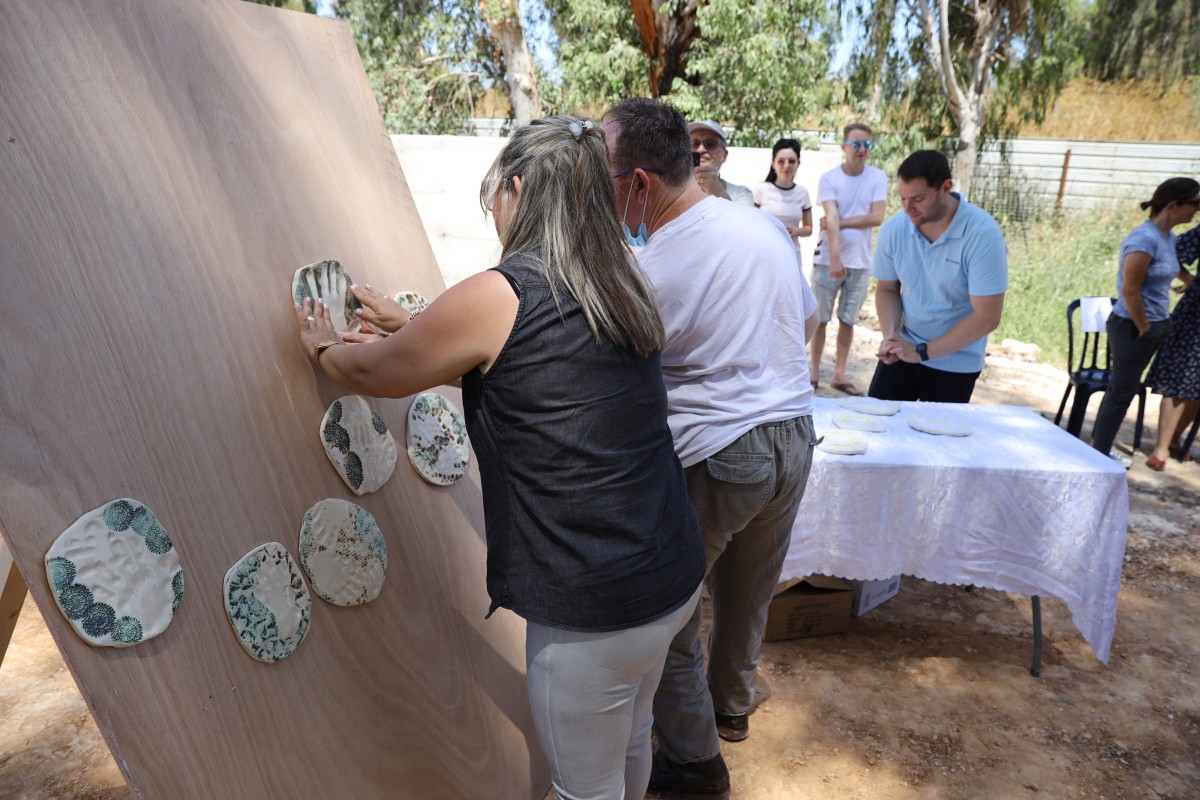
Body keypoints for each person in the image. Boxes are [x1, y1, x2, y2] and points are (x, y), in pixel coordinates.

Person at [293, 115, 706, 800]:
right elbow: (536, 374)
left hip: (591, 605)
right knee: (631, 740)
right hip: (669, 572)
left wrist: (320, 346)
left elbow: (376, 377)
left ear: (515, 188)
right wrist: (422, 326)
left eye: (496, 196)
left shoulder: (502, 289)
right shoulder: (619, 281)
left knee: (581, 788)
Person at [603, 97, 819, 800]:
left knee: (666, 619)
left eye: (602, 180)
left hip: (722, 452)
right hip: (794, 437)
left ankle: (693, 763)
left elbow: (609, 369)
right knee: (747, 592)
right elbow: (808, 319)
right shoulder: (762, 228)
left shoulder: (655, 263)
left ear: (638, 183)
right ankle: (729, 708)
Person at [868, 150, 1008, 403]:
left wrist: (922, 352)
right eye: (902, 199)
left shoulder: (982, 235)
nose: (908, 208)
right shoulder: (894, 228)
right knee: (878, 428)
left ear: (946, 188)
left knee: (938, 439)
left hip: (956, 360)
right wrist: (891, 336)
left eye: (918, 199)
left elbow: (987, 317)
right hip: (904, 348)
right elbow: (887, 288)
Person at [1091, 177, 1200, 462]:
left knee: (1122, 391)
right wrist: (1144, 327)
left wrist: (1187, 278)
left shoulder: (1169, 237)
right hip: (1132, 327)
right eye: (1195, 204)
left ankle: (1098, 448)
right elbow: (1129, 289)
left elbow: (1171, 265)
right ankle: (1098, 454)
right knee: (1120, 395)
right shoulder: (1143, 239)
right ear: (1173, 205)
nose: (1197, 211)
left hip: (1153, 325)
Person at [809, 123, 889, 395]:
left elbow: (876, 217)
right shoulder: (829, 178)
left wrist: (839, 221)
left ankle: (840, 373)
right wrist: (834, 258)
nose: (862, 150)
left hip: (861, 261)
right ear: (844, 146)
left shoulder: (878, 177)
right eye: (856, 144)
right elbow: (828, 216)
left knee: (848, 320)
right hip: (828, 260)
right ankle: (814, 371)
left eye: (867, 145)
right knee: (819, 318)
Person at [1143, 218, 1200, 470]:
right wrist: (1189, 278)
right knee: (1180, 377)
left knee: (1197, 384)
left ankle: (1175, 440)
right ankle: (1161, 447)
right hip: (1196, 315)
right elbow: (1174, 251)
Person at [752, 138, 813, 260]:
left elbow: (809, 229)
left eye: (791, 161)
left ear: (798, 163)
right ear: (773, 163)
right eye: (781, 161)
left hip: (792, 254)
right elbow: (750, 224)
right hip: (765, 253)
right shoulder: (761, 189)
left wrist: (795, 231)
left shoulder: (802, 192)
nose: (786, 166)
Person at [688, 119, 755, 205]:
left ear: (724, 155)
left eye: (710, 144)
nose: (701, 150)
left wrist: (718, 192)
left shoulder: (741, 194)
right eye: (695, 143)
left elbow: (744, 218)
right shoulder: (673, 190)